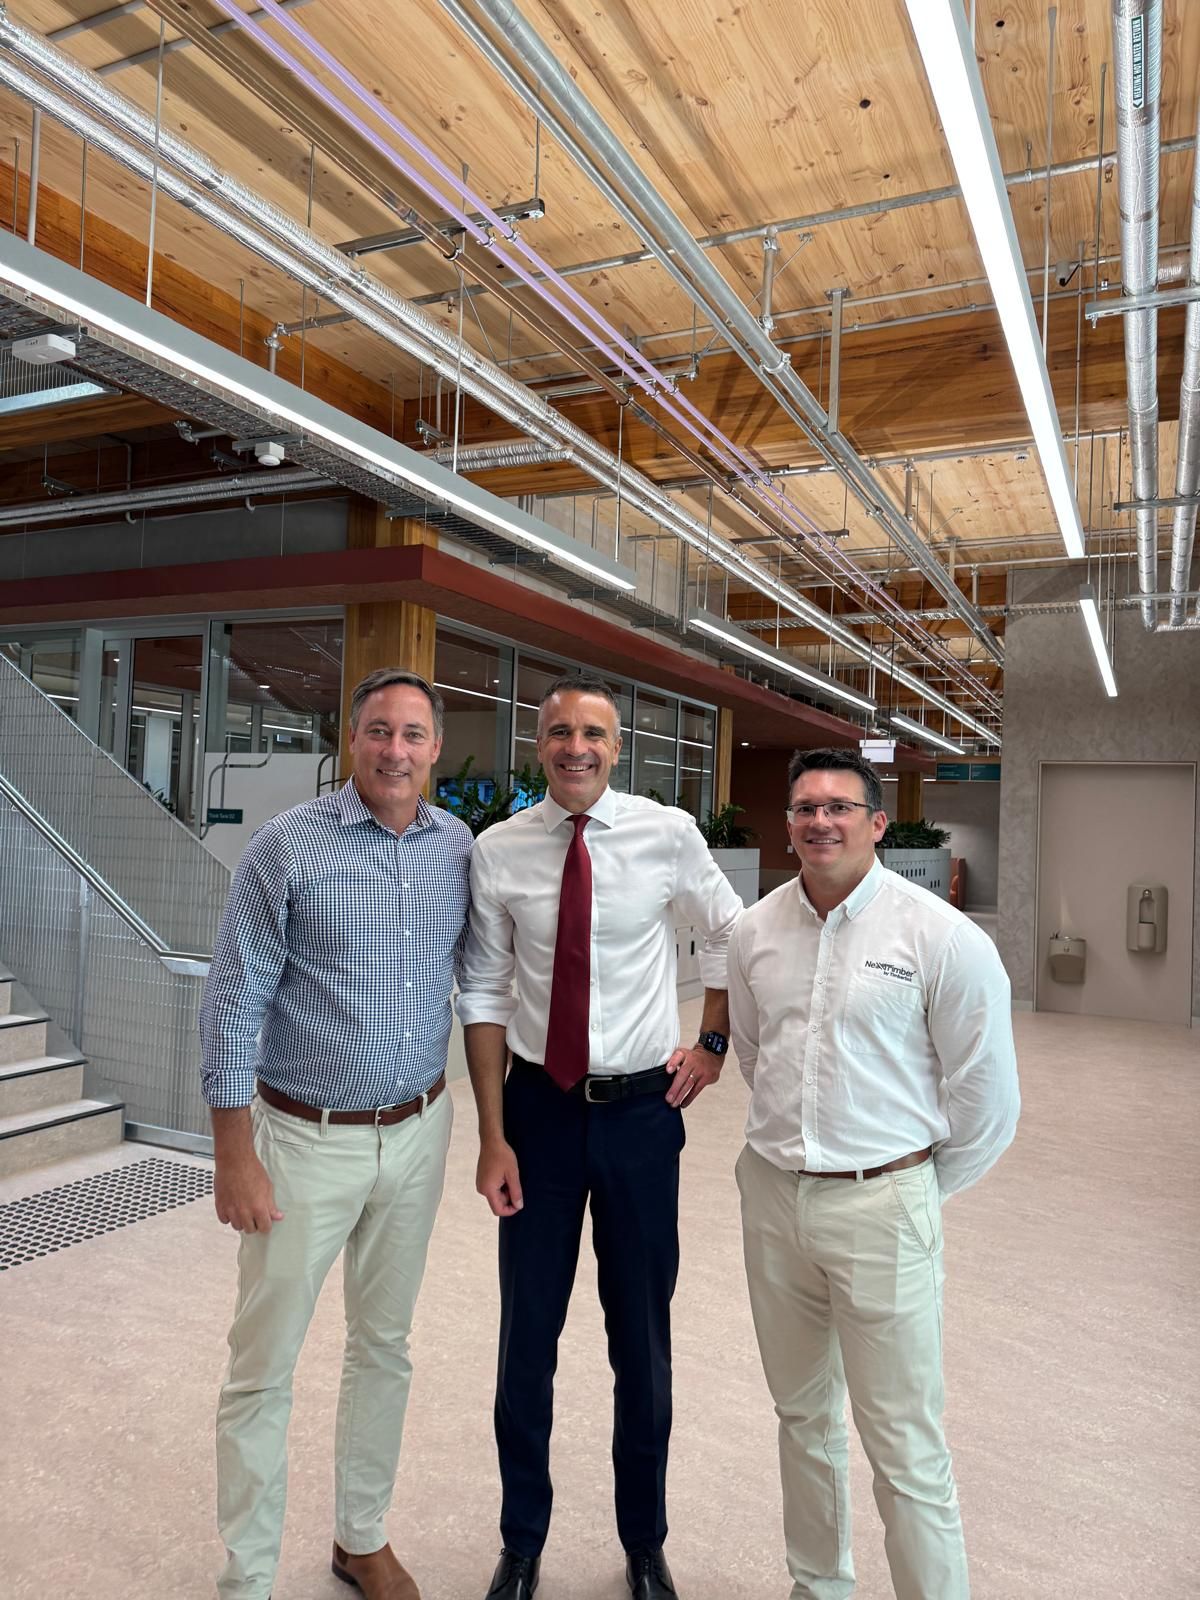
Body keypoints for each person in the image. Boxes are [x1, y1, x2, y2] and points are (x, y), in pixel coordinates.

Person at [457, 674, 743, 1600]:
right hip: (536, 1113)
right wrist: (493, 1137)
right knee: (525, 1338)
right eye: (557, 733)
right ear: (538, 746)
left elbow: (726, 938)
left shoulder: (665, 834)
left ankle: (645, 1543)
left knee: (642, 1340)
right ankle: (522, 1541)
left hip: (638, 1117)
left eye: (593, 734)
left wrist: (710, 1040)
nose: (575, 747)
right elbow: (488, 995)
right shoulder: (499, 850)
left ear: (618, 748)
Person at [199, 667, 472, 1600]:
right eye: (378, 732)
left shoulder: (455, 847)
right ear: (350, 741)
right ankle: (249, 1576)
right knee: (264, 1361)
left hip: (419, 1131)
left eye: (413, 735)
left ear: (436, 748)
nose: (395, 750)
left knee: (384, 1345)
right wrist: (233, 1154)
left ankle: (361, 1537)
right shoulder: (288, 847)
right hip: (303, 1141)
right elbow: (234, 1001)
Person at [728, 746, 1019, 1600]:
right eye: (805, 808)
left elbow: (988, 1099)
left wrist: (913, 1188)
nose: (821, 821)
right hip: (775, 1199)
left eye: (840, 807)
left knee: (904, 1442)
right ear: (787, 822)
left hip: (884, 1205)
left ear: (877, 824)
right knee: (802, 1420)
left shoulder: (941, 937)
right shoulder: (756, 930)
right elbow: (756, 1055)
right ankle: (819, 1587)